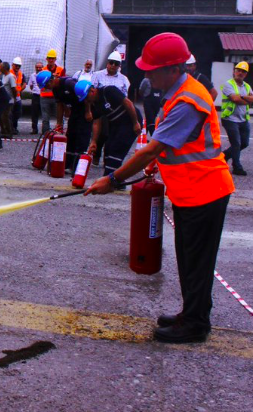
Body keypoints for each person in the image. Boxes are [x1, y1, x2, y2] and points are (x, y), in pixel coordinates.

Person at [87, 32, 234, 344]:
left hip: (204, 192)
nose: (146, 74)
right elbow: (172, 146)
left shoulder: (186, 101)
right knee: (189, 258)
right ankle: (192, 313)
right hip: (191, 191)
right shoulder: (178, 93)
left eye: (151, 69)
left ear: (173, 69)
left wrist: (113, 180)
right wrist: (158, 162)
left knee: (196, 261)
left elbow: (150, 149)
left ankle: (195, 323)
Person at [83, 82, 141, 176]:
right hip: (117, 124)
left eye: (86, 98)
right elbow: (96, 123)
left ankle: (113, 180)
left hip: (130, 122)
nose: (87, 101)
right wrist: (93, 141)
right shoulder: (95, 104)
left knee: (117, 148)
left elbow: (128, 103)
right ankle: (110, 177)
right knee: (109, 147)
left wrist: (135, 123)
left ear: (92, 91)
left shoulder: (109, 91)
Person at [37, 70, 84, 170]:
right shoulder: (55, 89)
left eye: (46, 86)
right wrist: (59, 123)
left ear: (50, 81)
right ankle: (68, 164)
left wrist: (88, 112)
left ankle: (79, 165)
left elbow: (86, 97)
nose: (46, 88)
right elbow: (60, 105)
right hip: (74, 112)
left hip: (84, 112)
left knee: (81, 138)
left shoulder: (69, 83)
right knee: (70, 137)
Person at [92, 50, 130, 164]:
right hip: (102, 110)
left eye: (116, 63)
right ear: (107, 63)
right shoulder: (97, 75)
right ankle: (96, 155)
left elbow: (125, 98)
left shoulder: (124, 80)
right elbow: (92, 93)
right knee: (102, 134)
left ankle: (107, 159)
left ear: (119, 66)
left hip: (116, 112)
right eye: (111, 62)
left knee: (112, 136)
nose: (113, 65)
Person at [220, 61, 252, 176]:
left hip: (243, 119)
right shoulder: (228, 84)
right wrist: (246, 99)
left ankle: (224, 156)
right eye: (238, 70)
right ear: (234, 71)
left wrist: (242, 96)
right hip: (230, 119)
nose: (240, 73)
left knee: (244, 143)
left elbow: (251, 100)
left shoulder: (247, 86)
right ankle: (237, 167)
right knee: (236, 143)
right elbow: (235, 99)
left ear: (246, 74)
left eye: (243, 71)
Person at [40, 49, 65, 132]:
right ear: (46, 59)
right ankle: (45, 135)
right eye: (49, 58)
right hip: (44, 97)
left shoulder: (61, 70)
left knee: (60, 117)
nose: (51, 60)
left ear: (55, 59)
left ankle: (60, 133)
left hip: (57, 97)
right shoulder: (42, 70)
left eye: (52, 58)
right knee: (45, 118)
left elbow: (63, 83)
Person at [0, 62, 16, 138]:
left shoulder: (11, 76)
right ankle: (4, 131)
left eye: (1, 67)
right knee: (2, 116)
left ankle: (9, 132)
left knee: (6, 116)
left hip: (9, 100)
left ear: (5, 68)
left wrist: (14, 98)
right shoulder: (3, 76)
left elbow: (13, 89)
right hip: (3, 100)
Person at [10, 57, 25, 135]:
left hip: (18, 97)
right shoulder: (8, 73)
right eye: (16, 65)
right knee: (10, 113)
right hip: (10, 97)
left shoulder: (21, 73)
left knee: (18, 112)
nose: (17, 67)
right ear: (12, 65)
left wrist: (19, 90)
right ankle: (10, 128)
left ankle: (14, 127)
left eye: (19, 66)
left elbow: (24, 84)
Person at [28, 61, 43, 134]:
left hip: (43, 96)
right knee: (34, 113)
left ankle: (44, 130)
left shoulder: (44, 75)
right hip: (35, 95)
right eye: (37, 67)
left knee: (44, 113)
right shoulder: (32, 75)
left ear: (42, 68)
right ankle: (34, 129)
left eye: (40, 67)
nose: (38, 68)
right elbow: (30, 86)